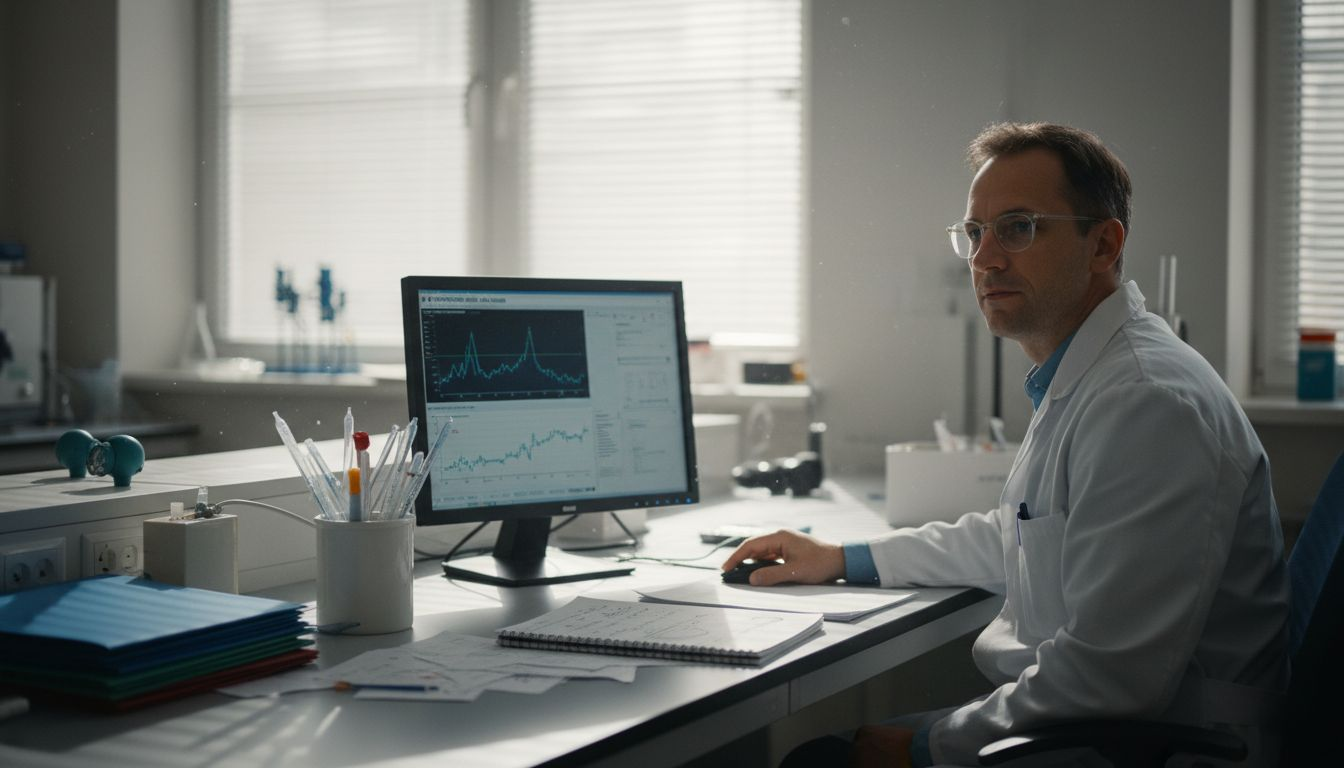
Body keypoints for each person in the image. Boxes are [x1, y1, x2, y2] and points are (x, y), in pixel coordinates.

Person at [726, 122, 1290, 767]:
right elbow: (1020, 536)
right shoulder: (1091, 375)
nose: (984, 259)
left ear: (1103, 244)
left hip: (1148, 745)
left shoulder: (1147, 401)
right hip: (1097, 725)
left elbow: (1111, 678)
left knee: (819, 761)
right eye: (975, 233)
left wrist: (926, 747)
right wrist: (841, 557)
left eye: (1018, 227)